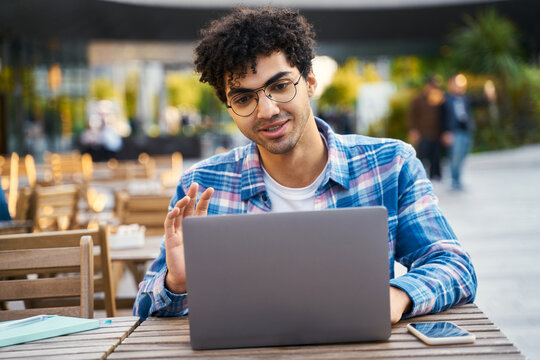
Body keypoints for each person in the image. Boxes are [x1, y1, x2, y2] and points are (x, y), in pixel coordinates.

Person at [134, 7, 477, 324]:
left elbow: (454, 265)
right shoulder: (202, 185)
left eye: (280, 86)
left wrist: (398, 295)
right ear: (229, 108)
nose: (266, 110)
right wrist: (177, 283)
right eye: (243, 98)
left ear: (310, 81)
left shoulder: (390, 165)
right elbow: (144, 315)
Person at [442, 74, 484, 190]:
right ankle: (455, 181)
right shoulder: (445, 99)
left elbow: (478, 102)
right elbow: (442, 117)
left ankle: (458, 179)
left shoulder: (465, 98)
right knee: (455, 156)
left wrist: (488, 97)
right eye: (455, 84)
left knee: (463, 155)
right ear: (450, 84)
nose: (458, 86)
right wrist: (446, 132)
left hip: (466, 130)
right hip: (453, 131)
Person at [407, 77, 445, 180]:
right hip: (423, 134)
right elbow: (412, 116)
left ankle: (435, 177)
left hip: (437, 134)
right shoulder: (418, 100)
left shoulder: (440, 100)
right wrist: (413, 130)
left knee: (436, 158)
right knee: (422, 158)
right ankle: (419, 178)